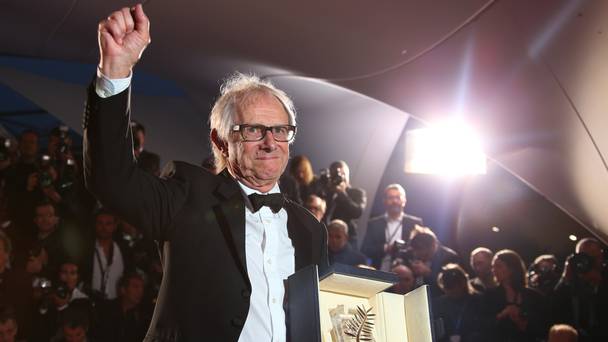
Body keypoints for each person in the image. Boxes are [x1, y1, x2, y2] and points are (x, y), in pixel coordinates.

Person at [84, 4, 328, 341]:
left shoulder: (310, 229)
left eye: (280, 130)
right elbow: (112, 180)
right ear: (221, 141)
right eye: (254, 130)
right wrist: (114, 71)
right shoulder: (189, 195)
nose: (271, 142)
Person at [480, 249, 548, 341]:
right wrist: (502, 314)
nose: (494, 270)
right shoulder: (489, 295)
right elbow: (482, 325)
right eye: (493, 267)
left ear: (512, 269)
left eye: (499, 266)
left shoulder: (533, 296)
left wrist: (520, 320)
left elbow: (542, 328)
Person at [552, 238, 608, 341]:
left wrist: (599, 282)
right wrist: (566, 277)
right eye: (584, 256)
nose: (589, 260)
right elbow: (555, 305)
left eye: (593, 255)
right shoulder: (571, 281)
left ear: (601, 256)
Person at [361, 183, 423, 271]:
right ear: (384, 201)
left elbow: (421, 251)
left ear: (404, 201)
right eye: (390, 198)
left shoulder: (415, 223)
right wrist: (386, 248)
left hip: (406, 275)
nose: (394, 201)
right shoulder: (374, 223)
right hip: (379, 271)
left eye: (398, 197)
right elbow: (365, 249)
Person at [401, 226, 459, 296]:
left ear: (432, 247)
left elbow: (451, 286)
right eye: (414, 249)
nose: (416, 253)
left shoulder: (449, 257)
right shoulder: (410, 255)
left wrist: (428, 273)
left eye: (420, 249)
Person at [432, 264, 484, 342]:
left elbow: (483, 329)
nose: (451, 291)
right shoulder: (438, 304)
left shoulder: (479, 301)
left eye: (453, 286)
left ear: (463, 283)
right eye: (447, 287)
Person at [320, 160, 366, 246]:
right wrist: (329, 191)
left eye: (343, 174)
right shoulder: (324, 192)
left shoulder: (357, 193)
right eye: (336, 174)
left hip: (347, 240)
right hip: (324, 238)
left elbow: (357, 212)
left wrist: (341, 193)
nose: (340, 177)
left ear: (348, 175)